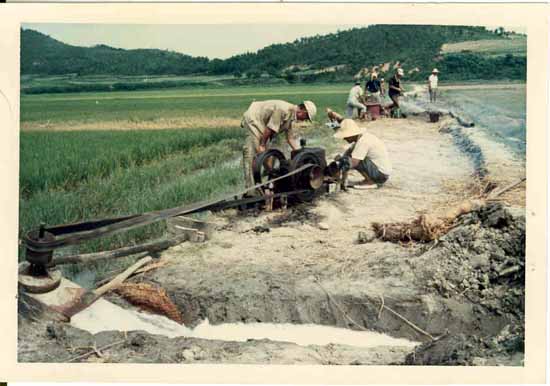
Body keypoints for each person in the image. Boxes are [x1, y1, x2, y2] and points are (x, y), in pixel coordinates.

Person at [241, 99, 317, 190]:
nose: (305, 120)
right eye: (307, 117)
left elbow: (290, 138)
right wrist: (262, 145)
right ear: (303, 110)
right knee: (252, 153)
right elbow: (270, 128)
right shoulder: (283, 109)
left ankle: (269, 183)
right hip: (254, 119)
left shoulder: (292, 117)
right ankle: (251, 190)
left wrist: (300, 153)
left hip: (263, 125)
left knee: (267, 157)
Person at [333, 119, 392, 188]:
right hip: (381, 172)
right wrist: (339, 161)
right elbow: (347, 154)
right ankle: (369, 179)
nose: (344, 139)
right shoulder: (361, 138)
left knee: (355, 159)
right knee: (350, 154)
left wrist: (339, 168)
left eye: (346, 136)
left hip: (381, 174)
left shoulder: (363, 142)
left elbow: (353, 163)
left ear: (352, 135)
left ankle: (370, 181)